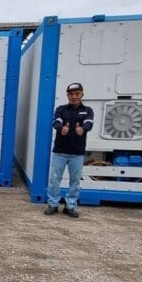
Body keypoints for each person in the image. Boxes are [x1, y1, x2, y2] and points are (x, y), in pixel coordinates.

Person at [44, 82, 94, 218]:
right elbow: (56, 121)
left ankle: (70, 206)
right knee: (54, 179)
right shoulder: (61, 109)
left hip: (77, 153)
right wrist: (61, 129)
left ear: (82, 95)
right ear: (67, 95)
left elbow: (89, 123)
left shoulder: (88, 110)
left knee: (75, 181)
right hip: (60, 151)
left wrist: (82, 129)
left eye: (77, 94)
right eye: (71, 94)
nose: (74, 97)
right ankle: (53, 204)